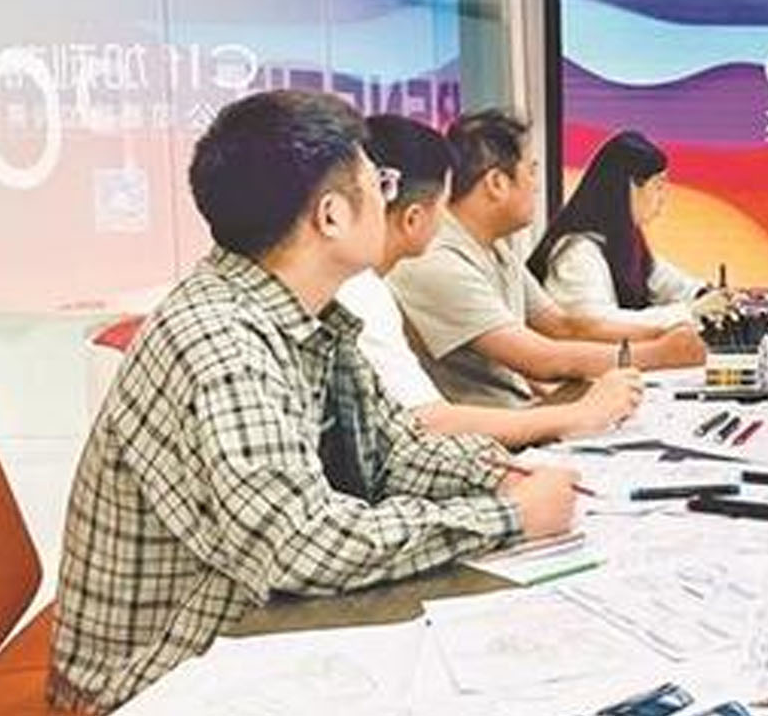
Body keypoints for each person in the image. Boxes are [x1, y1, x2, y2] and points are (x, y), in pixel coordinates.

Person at [49, 91, 577, 712]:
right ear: (330, 217)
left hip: (245, 623)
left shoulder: (305, 312)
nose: (389, 200)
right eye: (379, 184)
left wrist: (500, 477)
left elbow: (391, 449)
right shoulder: (221, 343)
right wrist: (506, 516)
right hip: (153, 678)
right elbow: (301, 546)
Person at [341, 115, 643, 446]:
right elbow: (428, 421)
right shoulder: (364, 289)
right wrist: (584, 412)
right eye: (531, 171)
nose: (537, 185)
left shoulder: (370, 285)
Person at [388, 111, 705, 409]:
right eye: (531, 171)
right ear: (497, 183)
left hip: (523, 411)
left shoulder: (494, 247)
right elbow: (541, 358)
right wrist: (658, 353)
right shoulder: (439, 261)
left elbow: (562, 326)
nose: (537, 186)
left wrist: (662, 335)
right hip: (494, 432)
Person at [528, 130, 732, 328]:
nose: (663, 198)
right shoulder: (577, 254)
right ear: (628, 187)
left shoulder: (622, 240)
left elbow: (662, 280)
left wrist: (704, 294)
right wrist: (690, 311)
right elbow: (600, 324)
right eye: (658, 186)